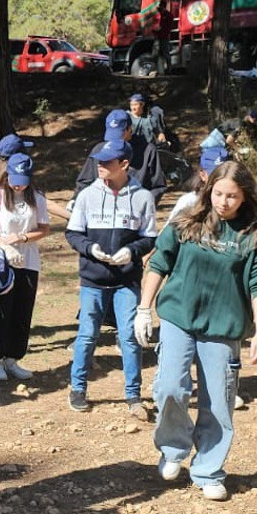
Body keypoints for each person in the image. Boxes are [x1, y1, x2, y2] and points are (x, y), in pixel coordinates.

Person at [135, 160, 257, 500]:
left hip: (223, 325)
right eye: (218, 193)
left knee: (218, 399)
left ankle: (208, 469)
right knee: (171, 385)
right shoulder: (189, 221)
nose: (223, 202)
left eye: (232, 196)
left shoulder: (254, 235)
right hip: (178, 315)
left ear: (245, 195)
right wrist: (144, 308)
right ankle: (172, 449)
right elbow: (159, 262)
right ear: (208, 189)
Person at [65, 138, 157, 418]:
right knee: (87, 334)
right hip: (93, 280)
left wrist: (131, 251)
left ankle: (133, 396)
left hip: (126, 281)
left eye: (106, 162)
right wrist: (89, 248)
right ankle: (78, 388)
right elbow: (73, 233)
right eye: (98, 162)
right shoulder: (87, 195)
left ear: (124, 164)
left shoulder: (142, 197)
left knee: (129, 337)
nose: (100, 166)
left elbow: (150, 237)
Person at [0, 152, 51, 380]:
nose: (18, 188)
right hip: (2, 261)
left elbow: (44, 228)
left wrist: (24, 238)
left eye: (23, 183)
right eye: (15, 182)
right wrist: (5, 246)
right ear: (7, 178)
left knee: (22, 310)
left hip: (29, 261)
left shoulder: (37, 197)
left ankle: (13, 358)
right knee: (2, 311)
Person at [75, 109, 168, 202]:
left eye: (119, 134)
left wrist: (142, 204)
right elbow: (84, 182)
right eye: (112, 134)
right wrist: (76, 201)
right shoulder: (99, 150)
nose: (115, 139)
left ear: (129, 129)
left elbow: (158, 185)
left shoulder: (148, 151)